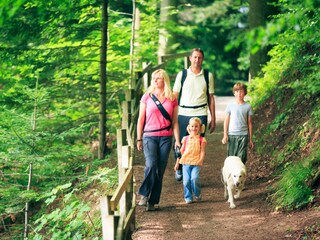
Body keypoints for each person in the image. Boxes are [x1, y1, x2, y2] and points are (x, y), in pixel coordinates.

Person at [136, 69, 180, 211]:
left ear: (164, 80)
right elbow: (140, 119)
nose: (155, 80)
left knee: (160, 170)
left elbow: (174, 121)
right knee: (151, 164)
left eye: (158, 78)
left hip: (166, 138)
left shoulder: (172, 98)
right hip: (149, 136)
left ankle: (152, 201)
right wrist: (138, 138)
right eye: (154, 78)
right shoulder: (147, 97)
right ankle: (144, 194)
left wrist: (177, 141)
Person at [173, 48, 216, 181]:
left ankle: (192, 173)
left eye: (200, 58)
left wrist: (213, 118)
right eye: (195, 57)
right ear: (190, 58)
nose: (197, 60)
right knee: (180, 142)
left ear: (202, 59)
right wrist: (172, 115)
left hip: (201, 113)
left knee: (197, 145)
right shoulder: (182, 75)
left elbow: (211, 98)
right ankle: (180, 167)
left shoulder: (208, 76)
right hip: (183, 112)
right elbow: (175, 95)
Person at [174, 117, 207, 204]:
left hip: (196, 162)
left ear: (200, 127)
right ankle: (188, 197)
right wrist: (177, 163)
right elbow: (181, 151)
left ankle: (197, 193)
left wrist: (200, 160)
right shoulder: (185, 139)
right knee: (186, 181)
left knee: (194, 178)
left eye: (196, 126)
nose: (194, 128)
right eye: (192, 126)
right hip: (186, 163)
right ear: (189, 127)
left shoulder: (201, 139)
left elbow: (203, 152)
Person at [221, 82, 254, 164]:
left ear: (245, 93)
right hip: (232, 134)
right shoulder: (230, 106)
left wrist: (250, 139)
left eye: (241, 91)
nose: (239, 94)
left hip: (243, 135)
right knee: (232, 157)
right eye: (237, 91)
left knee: (242, 157)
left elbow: (249, 123)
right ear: (234, 93)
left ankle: (240, 175)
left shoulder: (248, 106)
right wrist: (225, 135)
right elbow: (226, 121)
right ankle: (232, 175)